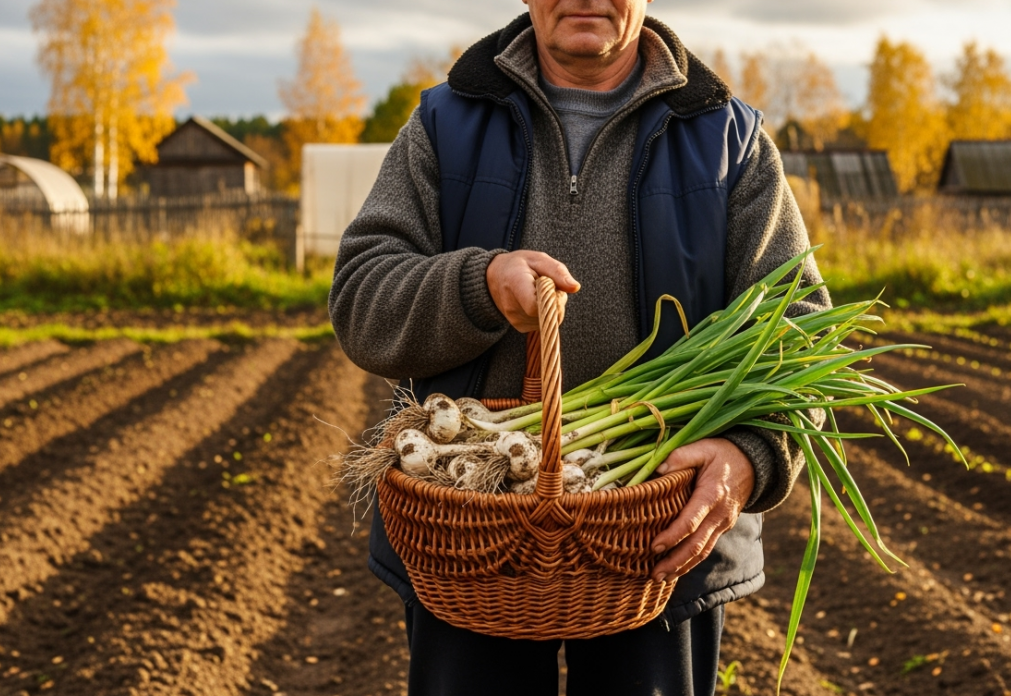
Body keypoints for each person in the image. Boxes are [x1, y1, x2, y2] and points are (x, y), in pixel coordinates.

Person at [330, 1, 829, 693]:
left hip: (660, 545)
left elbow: (800, 338)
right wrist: (476, 285)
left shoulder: (726, 140)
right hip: (470, 534)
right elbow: (360, 296)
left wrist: (750, 457)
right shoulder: (447, 125)